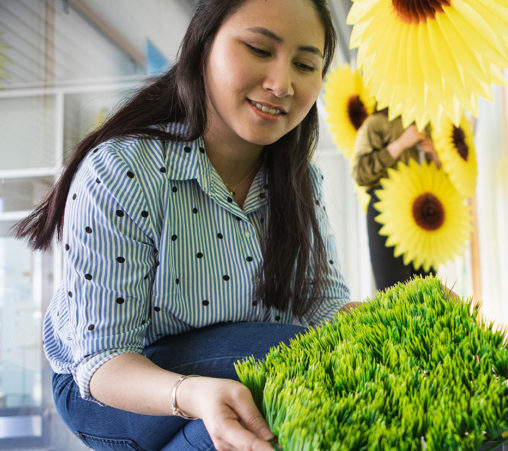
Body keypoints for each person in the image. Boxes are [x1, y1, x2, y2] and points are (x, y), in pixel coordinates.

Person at [14, 0, 359, 449]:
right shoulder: (123, 170)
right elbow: (102, 359)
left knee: (270, 421)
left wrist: (407, 311)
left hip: (234, 370)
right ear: (202, 51)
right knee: (293, 356)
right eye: (258, 49)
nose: (281, 83)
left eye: (305, 64)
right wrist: (189, 392)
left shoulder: (300, 180)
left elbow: (326, 311)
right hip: (109, 388)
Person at [352, 110, 439, 291]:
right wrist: (401, 144)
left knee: (427, 293)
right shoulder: (375, 124)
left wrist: (435, 159)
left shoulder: (426, 125)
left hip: (423, 213)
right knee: (393, 292)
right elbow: (361, 174)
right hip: (386, 212)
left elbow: (440, 183)